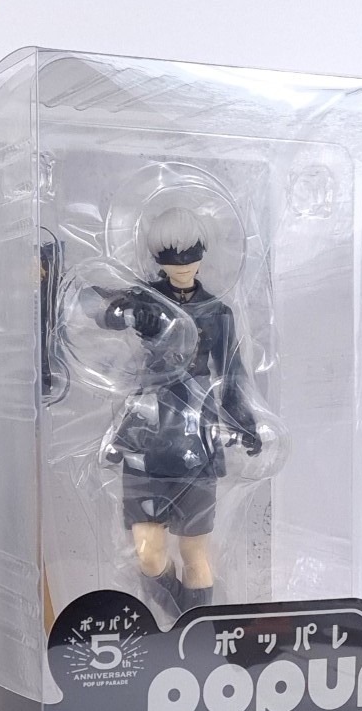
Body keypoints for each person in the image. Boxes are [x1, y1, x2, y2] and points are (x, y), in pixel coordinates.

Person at [96, 207, 261, 615]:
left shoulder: (218, 312)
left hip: (196, 437)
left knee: (195, 553)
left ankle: (194, 624)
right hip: (148, 433)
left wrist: (244, 421)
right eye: (171, 256)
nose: (182, 265)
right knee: (149, 555)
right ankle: (179, 613)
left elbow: (231, 374)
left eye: (191, 254)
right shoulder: (147, 298)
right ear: (158, 258)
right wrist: (131, 312)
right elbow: (102, 312)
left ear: (203, 252)